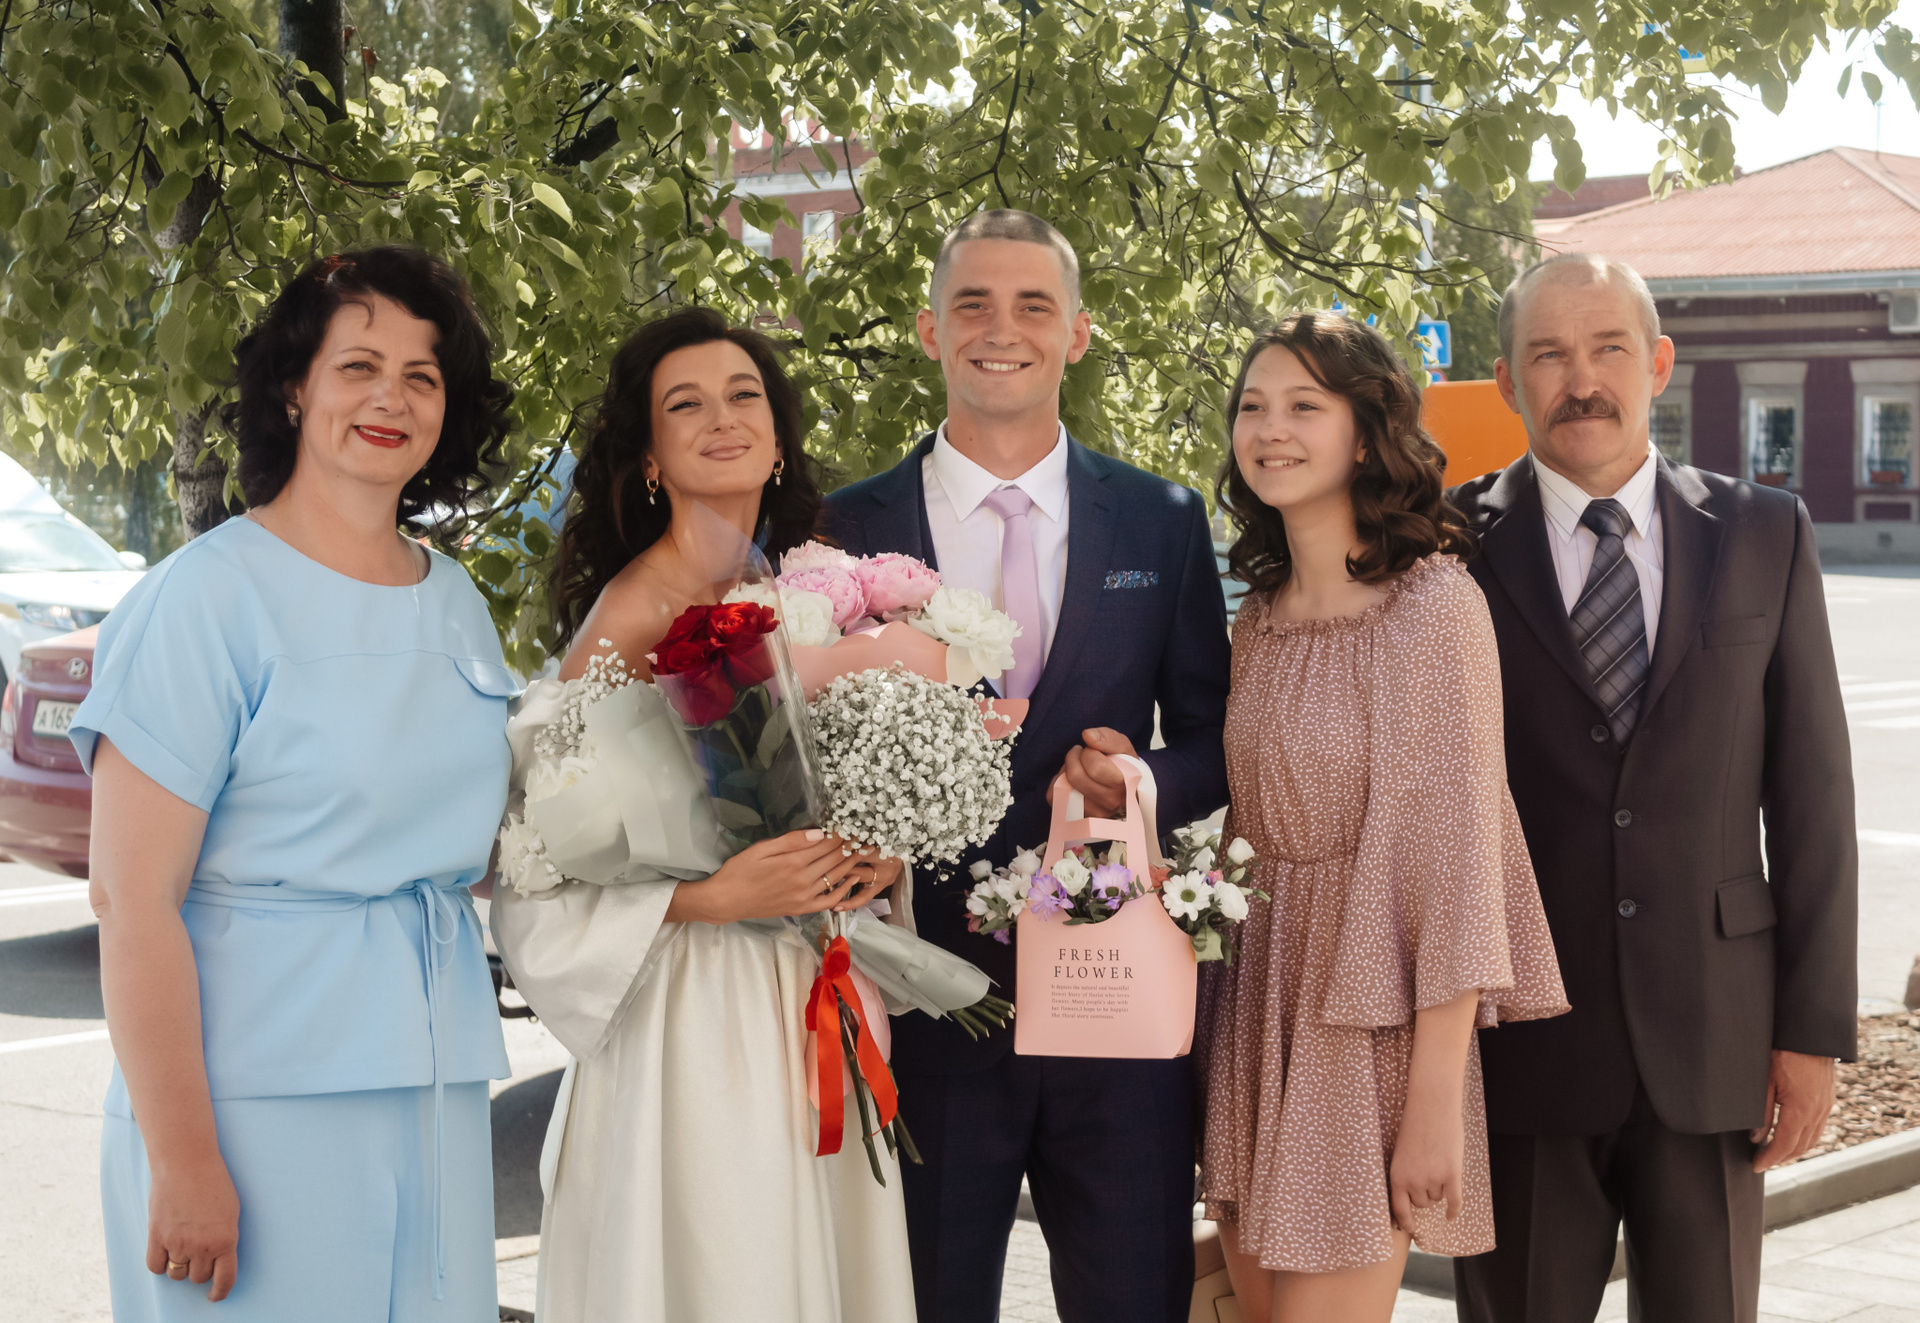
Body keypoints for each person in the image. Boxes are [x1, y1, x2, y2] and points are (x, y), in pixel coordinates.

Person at [73, 247, 518, 1319]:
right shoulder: (205, 600)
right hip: (252, 1099)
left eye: (421, 376)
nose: (390, 398)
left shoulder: (457, 600)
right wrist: (185, 1161)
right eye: (358, 366)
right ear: (292, 387)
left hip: (434, 1086)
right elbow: (131, 901)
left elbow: (466, 841)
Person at [822, 209, 1232, 1323]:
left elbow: (1216, 739)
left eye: (1033, 305)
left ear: (1077, 334)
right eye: (973, 304)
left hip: (1116, 993)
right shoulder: (842, 528)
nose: (1001, 329)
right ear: (929, 330)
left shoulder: (1159, 519)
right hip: (924, 999)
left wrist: (1142, 780)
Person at [1449, 252, 1858, 1323]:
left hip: (1715, 1040)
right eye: (1549, 355)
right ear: (1507, 381)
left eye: (1609, 349)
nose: (1581, 380)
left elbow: (1813, 799)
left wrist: (1812, 1032)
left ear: (1659, 363)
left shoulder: (1766, 532)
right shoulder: (1444, 548)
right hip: (1518, 1047)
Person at [488, 307, 916, 1323]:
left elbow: (838, 777)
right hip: (693, 1018)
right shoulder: (631, 616)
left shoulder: (810, 588)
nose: (722, 419)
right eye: (686, 405)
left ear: (777, 439)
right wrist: (710, 897)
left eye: (743, 396)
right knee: (727, 1266)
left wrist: (877, 854)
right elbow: (532, 867)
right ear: (649, 458)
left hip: (811, 984)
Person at [1195, 311, 1568, 1323]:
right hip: (1256, 1008)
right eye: (1253, 407)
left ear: (1365, 435)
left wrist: (1434, 1102)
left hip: (1367, 1027)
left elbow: (1459, 863)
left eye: (1303, 406)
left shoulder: (1432, 608)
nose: (1270, 429)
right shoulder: (1258, 617)